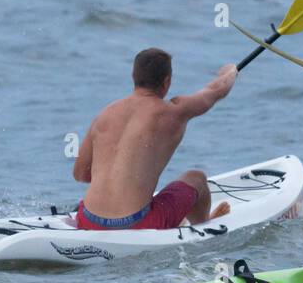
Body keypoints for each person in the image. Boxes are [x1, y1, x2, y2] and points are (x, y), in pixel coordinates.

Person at [72, 48, 236, 231]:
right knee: (196, 178)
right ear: (167, 82)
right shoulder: (172, 112)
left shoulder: (105, 114)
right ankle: (203, 228)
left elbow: (81, 174)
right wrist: (230, 71)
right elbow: (216, 91)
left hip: (87, 220)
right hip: (138, 225)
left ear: (133, 76)